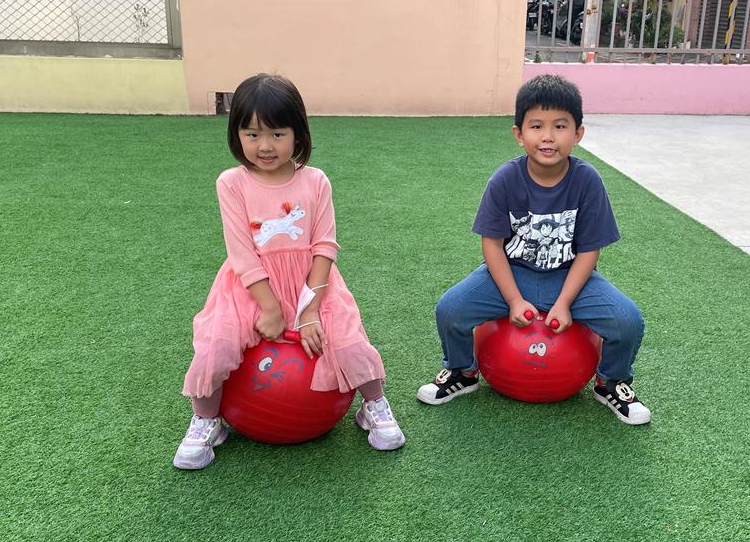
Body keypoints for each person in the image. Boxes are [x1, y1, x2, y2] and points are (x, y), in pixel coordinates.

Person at [174, 74, 405, 469]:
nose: (264, 146)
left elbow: (325, 247)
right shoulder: (231, 183)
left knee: (349, 341)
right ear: (237, 134)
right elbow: (242, 254)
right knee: (216, 344)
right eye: (252, 134)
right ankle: (206, 420)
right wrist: (270, 308)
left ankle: (374, 404)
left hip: (313, 283)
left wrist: (309, 309)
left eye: (277, 134)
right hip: (250, 288)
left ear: (298, 134)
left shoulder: (315, 181)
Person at [417, 74, 651, 425]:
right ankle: (462, 372)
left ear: (578, 133)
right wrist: (513, 300)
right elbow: (492, 245)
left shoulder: (587, 181)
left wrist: (564, 303)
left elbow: (589, 251)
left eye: (560, 126)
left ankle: (611, 382)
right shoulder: (505, 180)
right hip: (512, 273)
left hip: (569, 277)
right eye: (537, 126)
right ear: (519, 134)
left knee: (627, 320)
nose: (548, 136)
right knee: (450, 309)